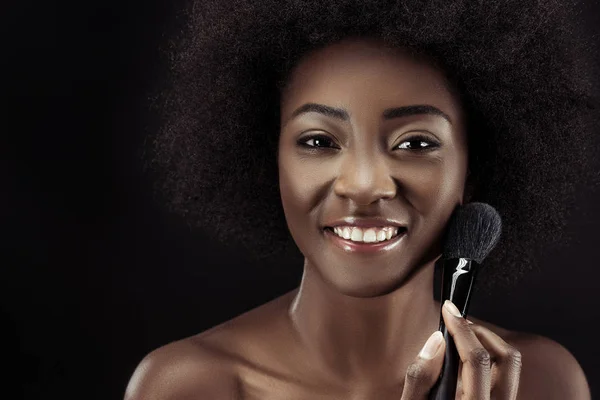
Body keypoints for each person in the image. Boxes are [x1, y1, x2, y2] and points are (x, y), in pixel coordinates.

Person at [125, 0, 597, 398]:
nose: (365, 184)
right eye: (318, 141)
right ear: (266, 156)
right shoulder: (190, 385)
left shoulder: (539, 382)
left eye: (415, 143)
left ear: (474, 168)